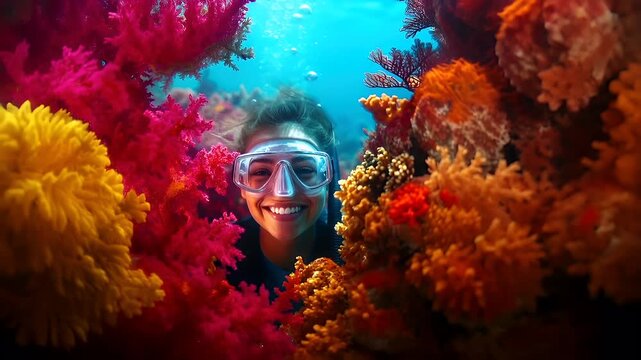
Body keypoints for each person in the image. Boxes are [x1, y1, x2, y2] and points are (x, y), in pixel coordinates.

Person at [226, 90, 342, 299]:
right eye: (261, 172)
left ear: (329, 181)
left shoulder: (355, 254)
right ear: (242, 185)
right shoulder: (218, 259)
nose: (283, 192)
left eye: (304, 171)